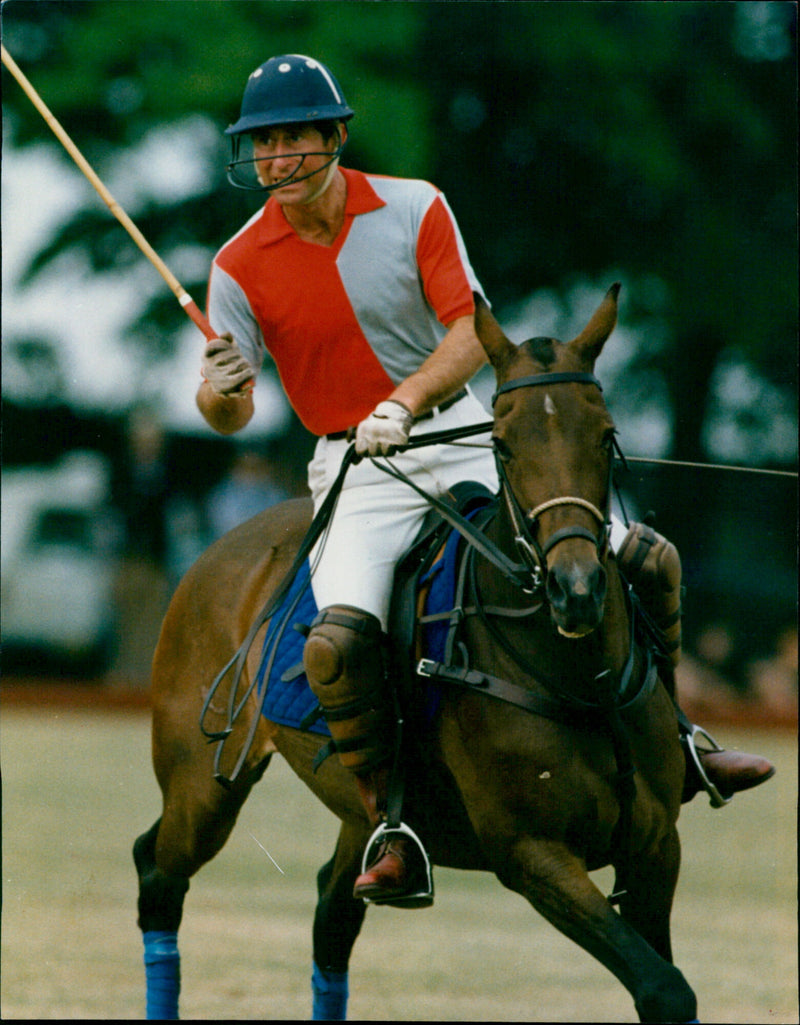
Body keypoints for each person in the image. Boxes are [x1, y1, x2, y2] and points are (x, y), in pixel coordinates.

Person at [197, 54, 774, 905]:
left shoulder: (412, 205)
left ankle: (679, 737)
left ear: (335, 137)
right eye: (263, 143)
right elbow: (229, 416)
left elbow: (468, 329)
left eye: (293, 138)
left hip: (464, 435)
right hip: (356, 469)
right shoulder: (238, 263)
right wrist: (219, 391)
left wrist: (403, 400)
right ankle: (389, 817)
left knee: (642, 559)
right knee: (340, 640)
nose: (278, 159)